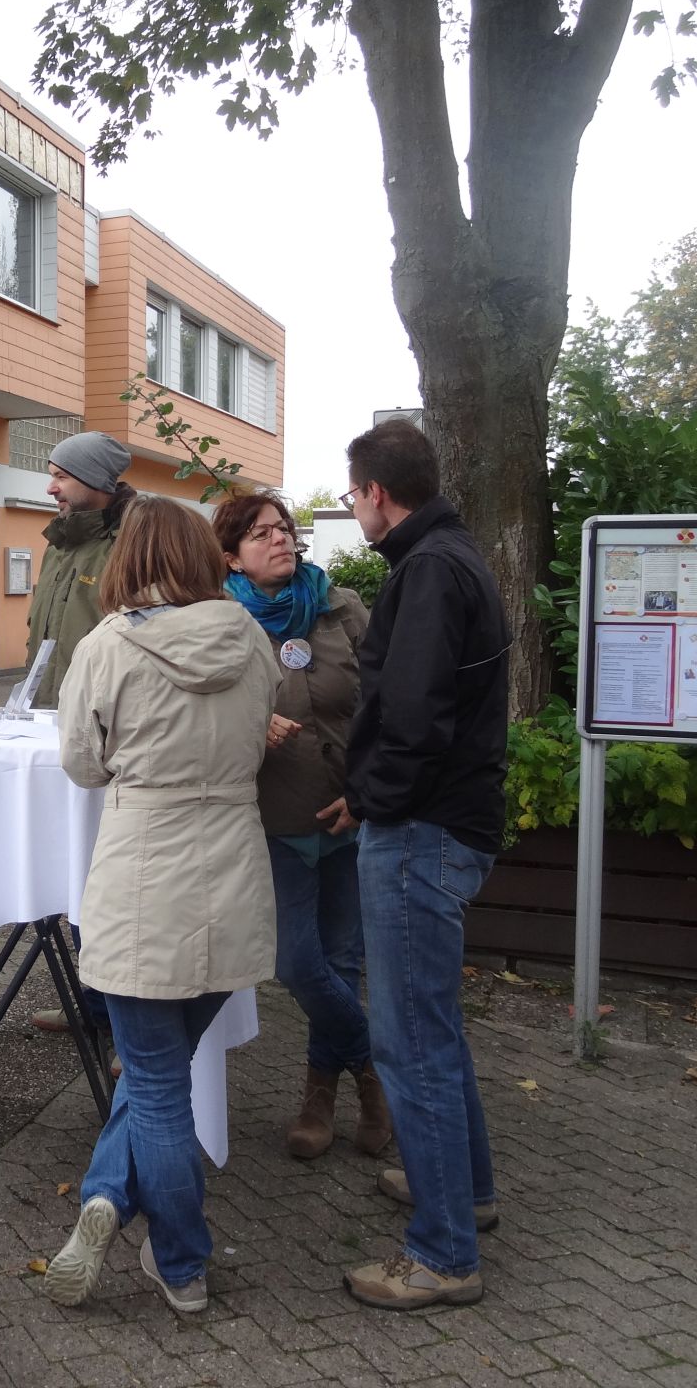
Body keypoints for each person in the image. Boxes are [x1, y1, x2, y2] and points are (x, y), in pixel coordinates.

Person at [43, 495, 280, 1316]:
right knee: (162, 1075)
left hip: (147, 875)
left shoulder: (109, 646)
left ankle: (181, 1263)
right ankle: (115, 1196)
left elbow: (80, 763)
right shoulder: (249, 637)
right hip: (237, 872)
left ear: (129, 559)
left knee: (154, 1083)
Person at [327, 417, 511, 1311]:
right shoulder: (449, 555)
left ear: (376, 493)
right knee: (433, 1028)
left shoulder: (431, 571)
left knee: (410, 1042)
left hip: (421, 831)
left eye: (353, 494)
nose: (353, 507)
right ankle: (464, 1195)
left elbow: (412, 711)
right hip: (444, 823)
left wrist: (372, 799)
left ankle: (441, 1254)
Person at [212, 490, 391, 1161]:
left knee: (344, 960)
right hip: (272, 819)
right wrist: (250, 725)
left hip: (348, 812)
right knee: (296, 962)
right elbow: (199, 711)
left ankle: (323, 1095)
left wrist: (368, 793)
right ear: (231, 554)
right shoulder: (221, 620)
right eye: (260, 534)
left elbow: (383, 703)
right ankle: (376, 1071)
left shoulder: (340, 607)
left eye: (283, 529)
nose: (280, 540)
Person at [24, 430, 135, 1037]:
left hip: (112, 741)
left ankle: (128, 1021)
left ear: (97, 482)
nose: (50, 486)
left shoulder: (129, 545)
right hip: (52, 729)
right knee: (72, 868)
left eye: (60, 475)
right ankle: (93, 1004)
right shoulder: (58, 546)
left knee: (109, 881)